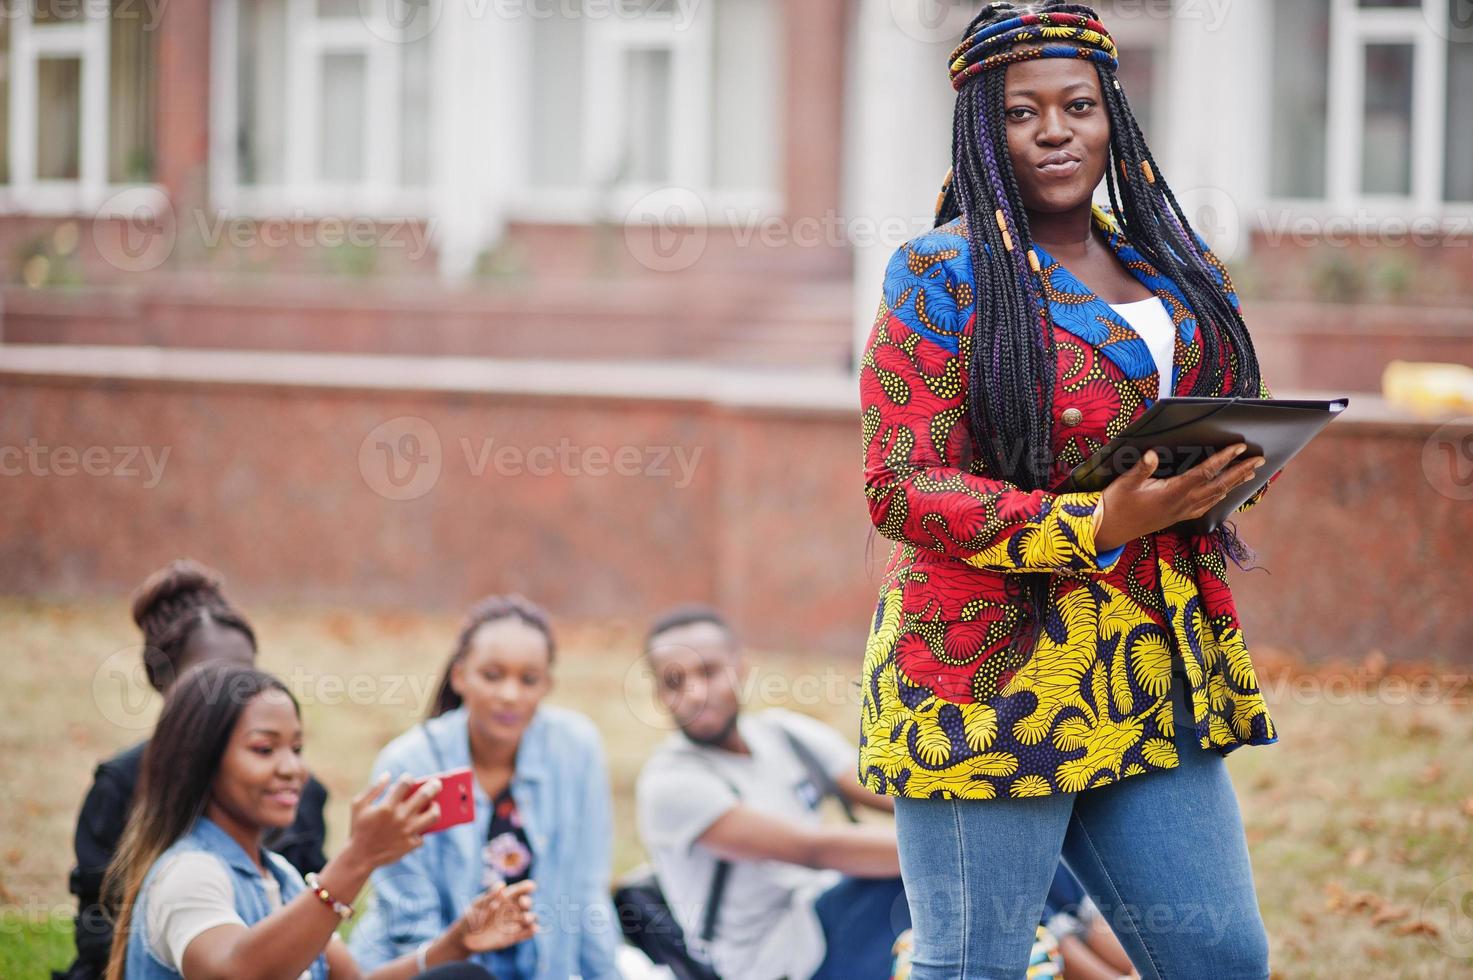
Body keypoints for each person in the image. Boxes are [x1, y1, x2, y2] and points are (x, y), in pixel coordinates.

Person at [858, 3, 1282, 976]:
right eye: (1023, 112)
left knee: (1218, 953)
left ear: (1113, 116)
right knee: (976, 960)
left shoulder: (1174, 267)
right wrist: (1092, 518)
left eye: (1079, 105)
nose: (1056, 129)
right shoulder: (940, 273)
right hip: (988, 676)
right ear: (982, 128)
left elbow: (1199, 430)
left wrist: (1228, 475)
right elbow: (899, 482)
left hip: (1150, 665)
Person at [635, 605, 1131, 980]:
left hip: (835, 912)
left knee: (1015, 852)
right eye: (674, 682)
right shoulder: (671, 784)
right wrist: (976, 851)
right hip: (786, 956)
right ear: (659, 693)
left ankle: (1119, 960)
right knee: (959, 872)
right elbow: (817, 850)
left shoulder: (783, 734)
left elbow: (896, 792)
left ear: (739, 668)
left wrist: (993, 825)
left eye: (708, 672)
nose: (694, 694)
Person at [103, 662, 536, 979]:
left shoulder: (280, 876)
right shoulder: (189, 872)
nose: (292, 768)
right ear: (201, 761)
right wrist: (358, 859)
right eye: (263, 749)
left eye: (296, 748)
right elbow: (234, 974)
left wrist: (455, 944)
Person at [59, 560, 330, 980]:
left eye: (245, 674)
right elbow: (100, 934)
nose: (231, 692)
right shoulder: (123, 791)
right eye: (207, 680)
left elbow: (319, 929)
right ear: (165, 686)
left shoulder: (298, 797)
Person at [348, 595, 621, 979]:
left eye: (528, 679)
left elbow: (587, 890)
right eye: (492, 675)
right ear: (460, 676)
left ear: (547, 685)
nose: (510, 694)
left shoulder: (576, 750)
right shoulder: (411, 763)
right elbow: (408, 919)